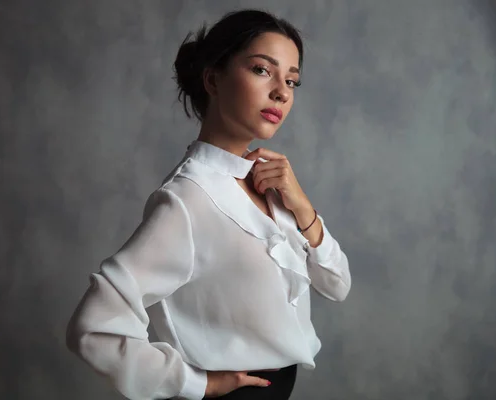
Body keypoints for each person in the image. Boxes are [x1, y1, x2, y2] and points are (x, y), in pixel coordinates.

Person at [66, 9, 351, 400]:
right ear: (213, 78)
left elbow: (337, 285)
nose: (282, 93)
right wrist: (197, 384)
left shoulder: (271, 183)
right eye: (262, 70)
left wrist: (302, 208)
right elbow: (93, 327)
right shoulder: (187, 198)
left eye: (291, 80)